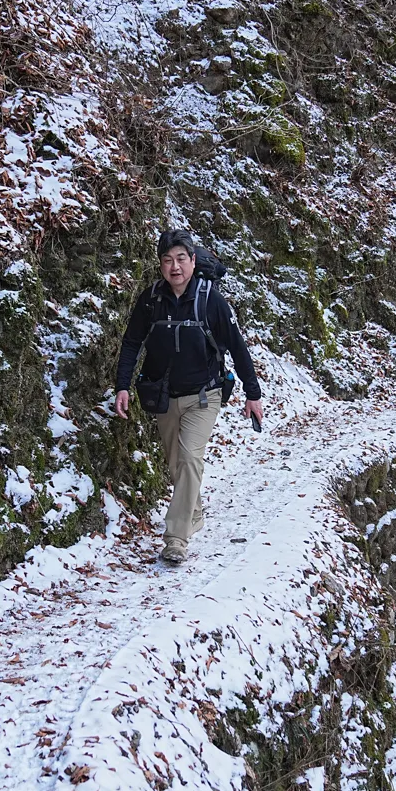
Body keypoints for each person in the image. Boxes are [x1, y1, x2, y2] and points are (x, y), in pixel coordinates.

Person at [114, 230, 264, 563]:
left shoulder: (211, 300)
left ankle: (176, 538)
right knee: (177, 464)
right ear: (161, 265)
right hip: (165, 398)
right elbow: (131, 343)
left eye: (182, 259)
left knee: (190, 457)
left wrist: (252, 394)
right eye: (167, 260)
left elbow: (238, 348)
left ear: (193, 261)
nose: (175, 267)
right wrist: (122, 385)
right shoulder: (151, 300)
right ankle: (192, 513)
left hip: (204, 395)